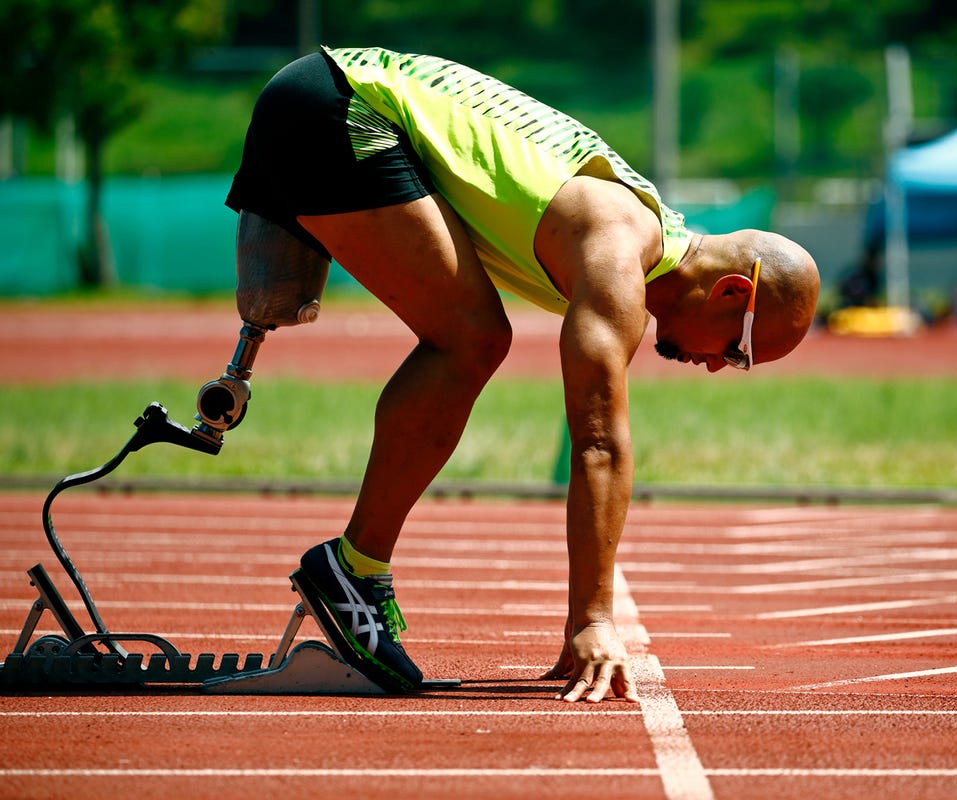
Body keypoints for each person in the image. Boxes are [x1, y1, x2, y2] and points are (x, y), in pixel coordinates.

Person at [225, 46, 820, 704]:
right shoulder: (619, 249)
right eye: (737, 352)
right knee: (472, 339)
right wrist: (593, 618)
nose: (716, 367)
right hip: (339, 105)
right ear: (733, 293)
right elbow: (598, 442)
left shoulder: (633, 226)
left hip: (328, 93)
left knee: (474, 337)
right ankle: (353, 571)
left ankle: (355, 568)